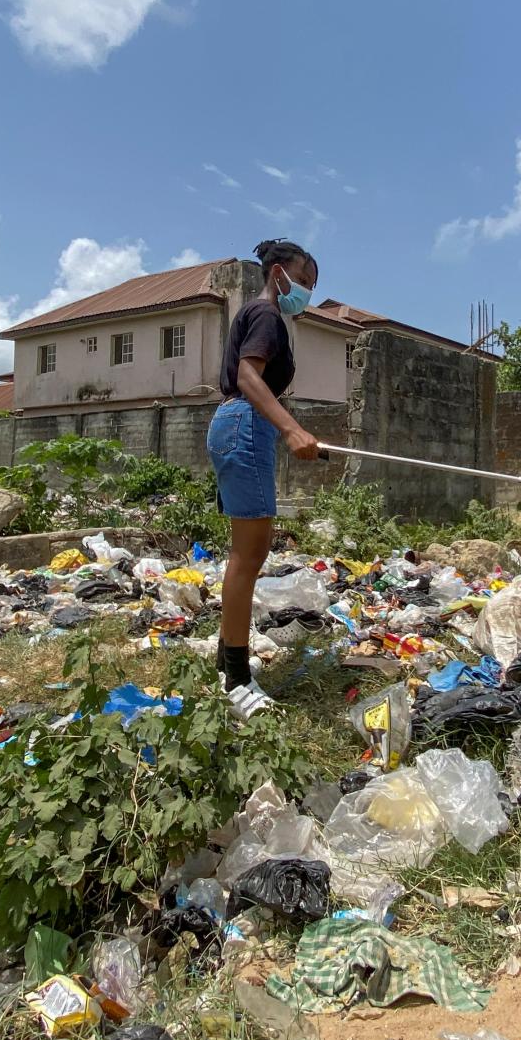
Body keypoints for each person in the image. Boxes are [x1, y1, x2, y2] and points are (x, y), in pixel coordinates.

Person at [206, 239, 323, 718]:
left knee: (246, 551)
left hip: (237, 424)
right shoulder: (268, 315)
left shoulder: (260, 316)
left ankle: (223, 658)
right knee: (249, 553)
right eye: (304, 281)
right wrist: (291, 428)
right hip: (245, 424)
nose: (307, 292)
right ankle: (236, 680)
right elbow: (248, 377)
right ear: (278, 273)